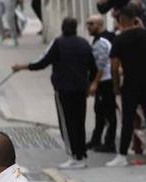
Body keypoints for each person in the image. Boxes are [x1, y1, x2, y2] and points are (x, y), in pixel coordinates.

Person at [12, 17, 97, 169]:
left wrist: (22, 67)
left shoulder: (58, 43)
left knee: (67, 122)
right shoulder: (84, 43)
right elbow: (93, 66)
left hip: (64, 89)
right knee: (79, 121)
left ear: (63, 28)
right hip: (81, 89)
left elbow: (42, 62)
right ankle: (81, 153)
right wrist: (91, 84)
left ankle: (73, 156)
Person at [107, 2, 146, 167]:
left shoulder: (119, 39)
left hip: (130, 84)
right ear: (135, 19)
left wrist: (116, 86)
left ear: (120, 21)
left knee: (127, 120)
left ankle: (122, 155)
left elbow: (114, 66)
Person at [85, 14, 116, 154]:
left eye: (91, 24)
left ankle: (109, 143)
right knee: (99, 111)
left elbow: (102, 65)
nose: (88, 27)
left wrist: (94, 83)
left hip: (105, 82)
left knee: (108, 113)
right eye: (88, 24)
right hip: (103, 81)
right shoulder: (101, 39)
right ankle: (96, 139)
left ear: (99, 25)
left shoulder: (101, 41)